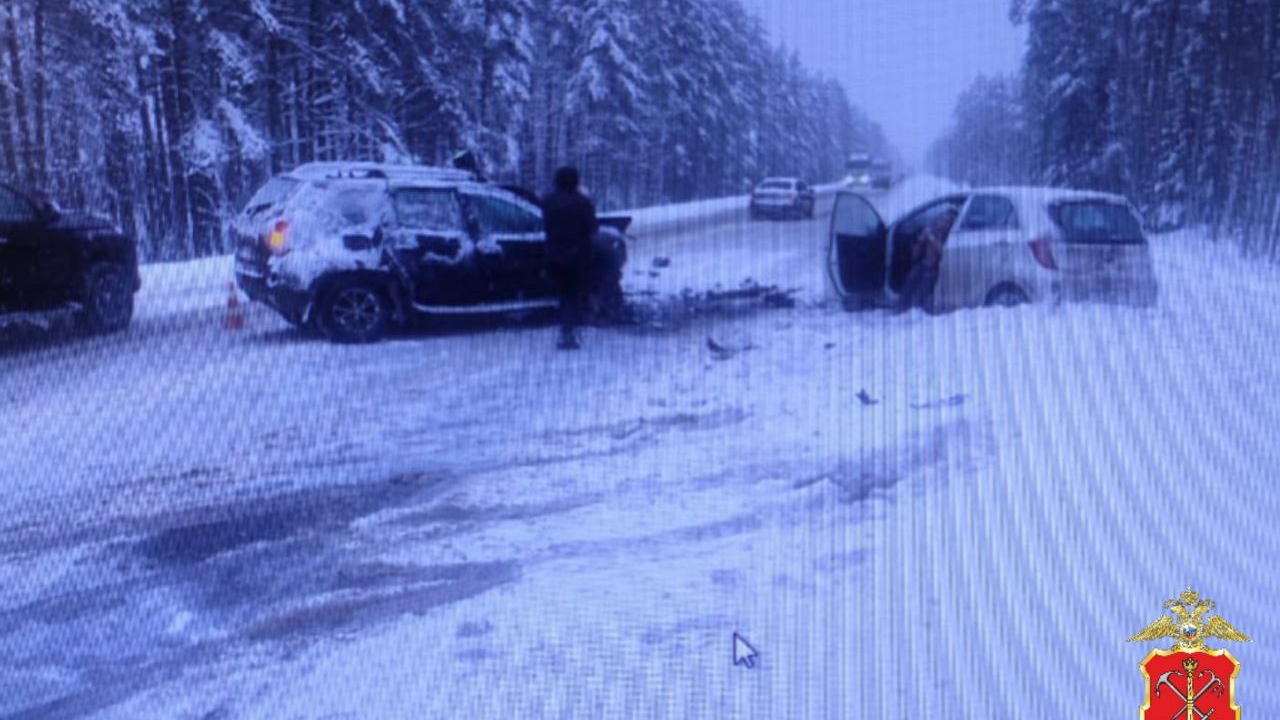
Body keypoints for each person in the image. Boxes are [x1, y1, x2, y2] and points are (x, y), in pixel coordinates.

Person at [541, 166, 598, 350]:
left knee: (563, 294)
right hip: (578, 256)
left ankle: (566, 329)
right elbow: (593, 228)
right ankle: (569, 332)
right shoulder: (582, 202)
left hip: (555, 255)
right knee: (573, 295)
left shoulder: (548, 201)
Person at [899, 207, 957, 313]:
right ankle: (902, 309)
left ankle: (920, 310)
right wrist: (920, 242)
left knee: (924, 289)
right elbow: (914, 256)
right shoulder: (932, 232)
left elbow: (943, 252)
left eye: (948, 221)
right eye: (943, 220)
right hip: (923, 264)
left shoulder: (951, 236)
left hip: (936, 268)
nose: (943, 223)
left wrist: (931, 239)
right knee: (909, 282)